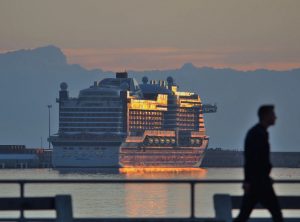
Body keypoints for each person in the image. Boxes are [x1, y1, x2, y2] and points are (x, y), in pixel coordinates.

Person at [234, 105, 283, 222]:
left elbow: (252, 160)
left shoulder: (258, 132)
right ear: (266, 116)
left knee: (243, 215)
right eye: (273, 114)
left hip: (257, 182)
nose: (275, 117)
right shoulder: (258, 134)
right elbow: (252, 160)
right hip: (259, 182)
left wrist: (248, 180)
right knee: (277, 214)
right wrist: (249, 180)